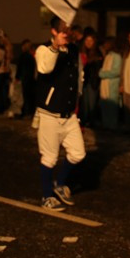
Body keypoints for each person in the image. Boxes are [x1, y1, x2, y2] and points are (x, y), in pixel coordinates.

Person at [35, 16, 86, 211]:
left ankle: (60, 183)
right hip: (50, 114)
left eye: (69, 29)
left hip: (69, 115)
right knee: (49, 157)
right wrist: (55, 47)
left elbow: (78, 77)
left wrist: (77, 100)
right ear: (54, 32)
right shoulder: (43, 49)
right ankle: (47, 196)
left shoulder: (73, 50)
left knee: (78, 153)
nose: (67, 33)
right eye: (63, 30)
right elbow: (44, 68)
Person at [98, 36, 123, 131]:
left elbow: (116, 71)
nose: (105, 45)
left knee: (112, 107)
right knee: (105, 106)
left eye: (106, 43)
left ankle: (112, 126)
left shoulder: (116, 57)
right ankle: (106, 125)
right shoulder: (108, 56)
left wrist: (102, 74)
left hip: (112, 86)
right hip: (105, 86)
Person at [80, 29, 103, 128]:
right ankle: (85, 120)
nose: (88, 43)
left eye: (91, 41)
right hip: (84, 82)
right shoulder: (82, 53)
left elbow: (98, 69)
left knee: (92, 103)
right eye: (87, 41)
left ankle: (92, 121)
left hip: (93, 82)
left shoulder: (97, 53)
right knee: (85, 103)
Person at [16, 39, 37, 119]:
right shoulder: (29, 56)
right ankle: (29, 112)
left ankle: (26, 112)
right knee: (29, 96)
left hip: (27, 79)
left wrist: (18, 77)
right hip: (29, 78)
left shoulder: (26, 56)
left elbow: (20, 67)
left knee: (27, 96)